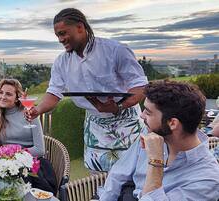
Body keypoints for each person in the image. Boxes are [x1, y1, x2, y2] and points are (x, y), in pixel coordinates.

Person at [26, 8, 148, 173]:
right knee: (97, 176)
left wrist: (118, 107)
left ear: (80, 27)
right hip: (94, 124)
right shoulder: (61, 62)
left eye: (63, 33)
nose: (61, 39)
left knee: (134, 173)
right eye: (58, 36)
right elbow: (54, 92)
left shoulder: (115, 50)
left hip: (127, 122)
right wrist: (37, 110)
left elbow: (140, 85)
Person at [98, 80, 219, 201]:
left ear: (172, 123)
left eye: (148, 112)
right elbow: (118, 174)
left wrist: (155, 162)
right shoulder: (151, 133)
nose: (142, 115)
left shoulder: (207, 180)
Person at [0, 79, 56, 193]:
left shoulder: (30, 115)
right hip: (3, 164)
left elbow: (40, 149)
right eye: (1, 92)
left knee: (22, 182)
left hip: (30, 164)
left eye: (8, 94)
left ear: (17, 97)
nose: (3, 96)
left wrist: (14, 157)